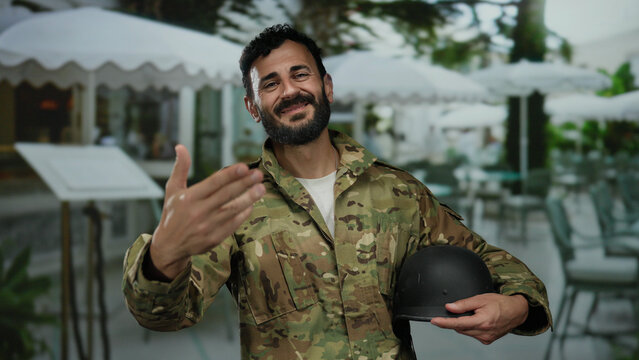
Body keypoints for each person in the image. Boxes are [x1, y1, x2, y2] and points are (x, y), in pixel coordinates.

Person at [122, 24, 551, 359]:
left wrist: (519, 305)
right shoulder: (238, 203)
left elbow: (489, 259)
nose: (289, 90)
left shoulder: (397, 192)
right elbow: (165, 316)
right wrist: (163, 258)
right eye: (269, 84)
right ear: (253, 108)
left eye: (299, 74)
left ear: (326, 87)